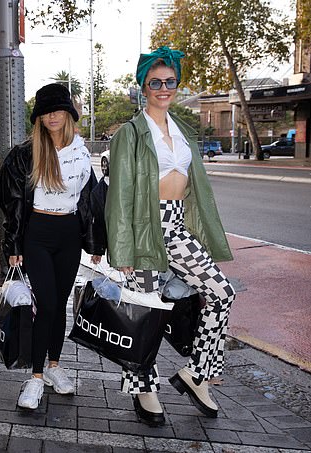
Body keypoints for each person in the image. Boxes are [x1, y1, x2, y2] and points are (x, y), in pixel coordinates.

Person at [104, 46, 236, 426]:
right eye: (155, 82)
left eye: (170, 82)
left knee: (220, 291)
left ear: (177, 85)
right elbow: (119, 197)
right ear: (143, 87)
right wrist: (122, 248)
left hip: (175, 225)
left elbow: (194, 191)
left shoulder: (183, 132)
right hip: (143, 228)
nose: (164, 88)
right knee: (143, 312)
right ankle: (144, 388)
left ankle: (197, 374)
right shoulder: (130, 134)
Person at [0, 83, 103, 410]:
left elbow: (90, 200)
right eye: (46, 111)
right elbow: (11, 203)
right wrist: (13, 244)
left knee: (58, 306)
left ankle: (55, 366)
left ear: (69, 114)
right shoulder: (25, 154)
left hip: (69, 235)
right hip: (37, 235)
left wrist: (96, 242)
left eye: (58, 109)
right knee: (45, 305)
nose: (53, 116)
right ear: (40, 118)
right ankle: (36, 377)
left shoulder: (82, 152)